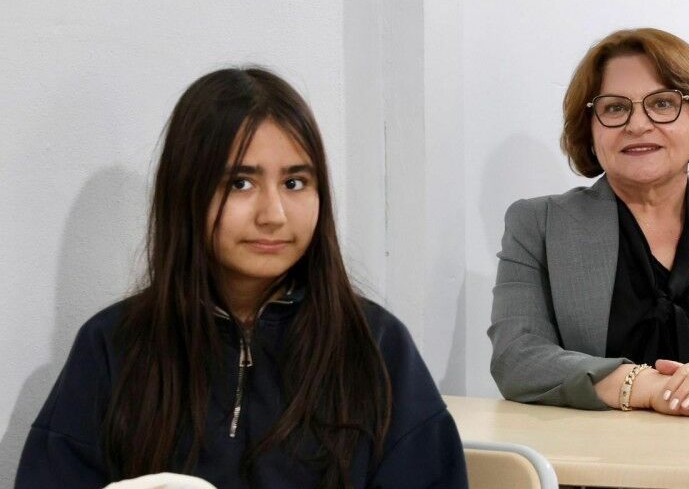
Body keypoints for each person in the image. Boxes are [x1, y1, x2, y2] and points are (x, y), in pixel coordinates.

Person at [17, 67, 467, 489]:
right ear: (186, 192)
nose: (273, 215)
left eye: (295, 183)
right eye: (240, 183)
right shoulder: (113, 346)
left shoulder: (377, 347)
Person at [488, 28, 689, 449]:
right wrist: (647, 386)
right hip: (594, 467)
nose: (638, 124)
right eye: (614, 108)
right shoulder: (539, 224)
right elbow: (518, 359)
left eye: (663, 103)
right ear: (590, 128)